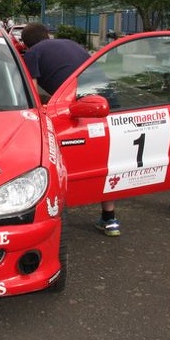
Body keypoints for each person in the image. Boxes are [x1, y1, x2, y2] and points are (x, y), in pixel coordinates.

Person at [21, 23, 121, 237]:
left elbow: (32, 94)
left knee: (62, 158)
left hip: (78, 105)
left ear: (26, 44)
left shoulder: (33, 54)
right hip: (106, 100)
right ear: (47, 35)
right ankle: (110, 219)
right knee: (104, 158)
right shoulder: (71, 44)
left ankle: (51, 215)